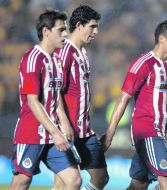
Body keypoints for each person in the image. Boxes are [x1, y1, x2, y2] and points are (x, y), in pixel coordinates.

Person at [101, 20, 167, 190]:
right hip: (146, 130)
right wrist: (110, 133)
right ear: (161, 39)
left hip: (162, 131)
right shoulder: (143, 63)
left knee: (139, 183)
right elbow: (124, 97)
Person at [9, 9, 82, 190]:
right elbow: (33, 102)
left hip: (52, 134)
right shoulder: (32, 59)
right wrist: (56, 133)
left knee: (73, 180)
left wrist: (63, 121)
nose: (65, 34)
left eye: (65, 29)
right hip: (31, 133)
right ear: (46, 31)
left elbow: (54, 94)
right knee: (22, 182)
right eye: (60, 30)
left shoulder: (55, 60)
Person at [53, 5, 109, 190]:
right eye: (92, 27)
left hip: (84, 130)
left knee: (101, 177)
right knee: (65, 183)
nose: (96, 31)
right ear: (78, 25)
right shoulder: (64, 51)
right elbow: (55, 90)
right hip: (65, 129)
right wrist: (64, 122)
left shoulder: (83, 53)